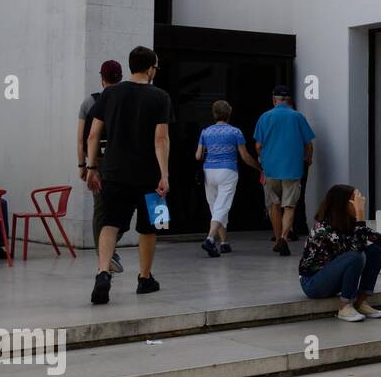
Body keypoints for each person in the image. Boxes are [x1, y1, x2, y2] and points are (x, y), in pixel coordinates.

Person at [84, 46, 173, 305]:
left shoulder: (110, 93)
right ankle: (145, 278)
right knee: (153, 226)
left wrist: (91, 168)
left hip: (113, 173)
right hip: (150, 176)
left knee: (110, 223)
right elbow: (161, 138)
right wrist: (165, 175)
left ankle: (103, 273)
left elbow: (93, 134)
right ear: (150, 68)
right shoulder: (161, 96)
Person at [300, 184, 381, 321]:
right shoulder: (323, 229)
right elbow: (356, 249)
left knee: (377, 250)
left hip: (334, 278)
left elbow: (380, 240)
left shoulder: (348, 223)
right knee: (356, 256)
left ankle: (361, 302)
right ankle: (344, 307)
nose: (362, 202)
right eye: (356, 200)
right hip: (313, 284)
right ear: (343, 204)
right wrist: (360, 215)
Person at [253, 85, 315, 256]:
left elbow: (258, 145)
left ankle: (277, 235)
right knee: (289, 205)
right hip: (293, 168)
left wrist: (264, 158)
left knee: (274, 203)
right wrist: (308, 158)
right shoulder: (297, 117)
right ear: (289, 101)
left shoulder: (265, 117)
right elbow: (308, 144)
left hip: (271, 168)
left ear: (274, 99)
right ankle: (283, 237)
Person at [195, 100, 261, 257]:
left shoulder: (205, 132)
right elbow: (245, 156)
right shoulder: (235, 132)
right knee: (222, 206)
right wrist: (259, 168)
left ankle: (224, 242)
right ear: (229, 114)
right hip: (228, 171)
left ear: (214, 114)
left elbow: (198, 155)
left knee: (215, 207)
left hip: (209, 171)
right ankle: (210, 239)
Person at [76, 60, 123, 273]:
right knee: (128, 207)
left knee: (100, 209)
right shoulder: (126, 98)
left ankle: (104, 254)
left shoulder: (91, 101)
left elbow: (83, 138)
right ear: (121, 76)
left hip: (98, 162)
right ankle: (108, 252)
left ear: (101, 77)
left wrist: (84, 165)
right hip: (122, 160)